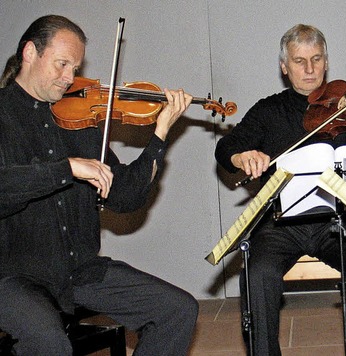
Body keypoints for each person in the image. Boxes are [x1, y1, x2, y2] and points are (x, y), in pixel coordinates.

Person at [215, 24, 346, 355]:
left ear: (326, 61)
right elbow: (226, 147)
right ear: (284, 67)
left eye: (316, 59)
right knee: (257, 275)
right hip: (280, 221)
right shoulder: (268, 110)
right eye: (299, 61)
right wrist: (242, 156)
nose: (309, 69)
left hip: (340, 219)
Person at [0, 15, 199, 355]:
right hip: (15, 275)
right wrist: (67, 168)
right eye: (62, 64)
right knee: (49, 344)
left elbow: (126, 196)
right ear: (30, 52)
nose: (69, 78)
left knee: (178, 310)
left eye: (74, 68)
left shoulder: (79, 120)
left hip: (79, 270)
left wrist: (160, 134)